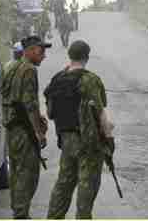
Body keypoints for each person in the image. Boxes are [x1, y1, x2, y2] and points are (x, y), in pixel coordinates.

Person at [45, 40, 115, 219]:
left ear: (70, 55)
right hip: (88, 143)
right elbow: (101, 114)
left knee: (64, 183)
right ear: (87, 57)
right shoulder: (90, 80)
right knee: (87, 186)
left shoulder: (57, 79)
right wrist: (108, 139)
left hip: (66, 140)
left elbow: (50, 113)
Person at [1, 36, 51, 219]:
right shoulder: (29, 70)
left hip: (12, 129)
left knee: (16, 173)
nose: (44, 56)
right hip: (23, 129)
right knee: (28, 175)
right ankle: (21, 215)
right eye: (41, 51)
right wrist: (39, 133)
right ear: (29, 50)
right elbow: (29, 104)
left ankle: (18, 212)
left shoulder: (10, 66)